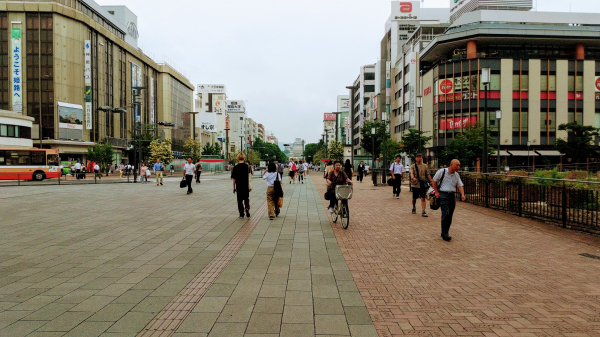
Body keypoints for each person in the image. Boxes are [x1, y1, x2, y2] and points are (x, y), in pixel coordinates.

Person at [431, 159, 466, 242]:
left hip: (452, 195)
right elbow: (433, 181)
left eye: (459, 165)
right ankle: (445, 233)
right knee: (445, 213)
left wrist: (462, 194)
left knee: (450, 215)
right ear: (451, 165)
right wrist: (436, 192)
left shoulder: (456, 175)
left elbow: (460, 185)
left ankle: (444, 232)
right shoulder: (442, 172)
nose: (458, 167)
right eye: (457, 165)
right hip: (443, 194)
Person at [231, 153, 252, 218]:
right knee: (246, 198)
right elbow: (251, 174)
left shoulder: (235, 167)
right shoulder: (247, 166)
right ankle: (247, 208)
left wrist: (234, 187)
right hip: (246, 185)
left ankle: (241, 214)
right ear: (244, 158)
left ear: (238, 158)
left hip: (239, 186)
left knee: (239, 200)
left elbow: (234, 179)